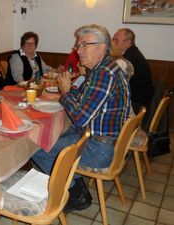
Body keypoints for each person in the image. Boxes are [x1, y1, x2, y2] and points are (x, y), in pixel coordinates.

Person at [32, 24, 131, 212]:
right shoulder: (104, 68)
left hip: (99, 149)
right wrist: (70, 89)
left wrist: (66, 91)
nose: (78, 51)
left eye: (84, 45)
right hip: (100, 141)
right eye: (78, 46)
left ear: (102, 46)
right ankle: (78, 189)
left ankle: (74, 194)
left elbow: (80, 118)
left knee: (36, 147)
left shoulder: (104, 73)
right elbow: (85, 98)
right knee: (50, 137)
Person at [113, 28, 154, 115]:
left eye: (116, 40)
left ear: (128, 43)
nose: (113, 43)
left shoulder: (128, 59)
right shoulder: (132, 53)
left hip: (137, 104)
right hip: (141, 99)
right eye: (113, 40)